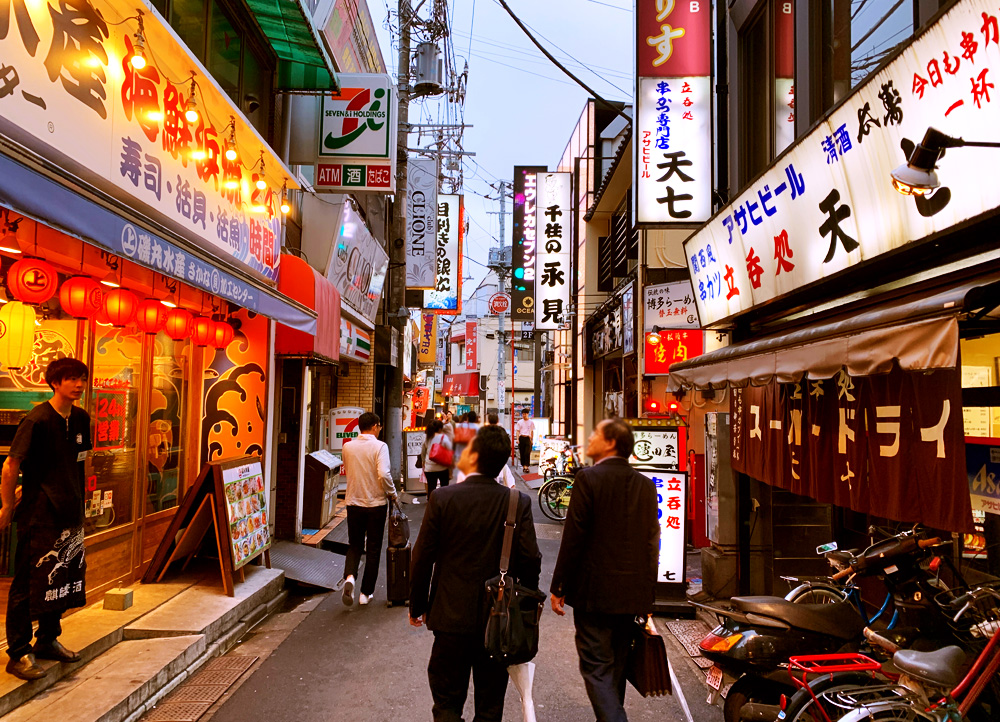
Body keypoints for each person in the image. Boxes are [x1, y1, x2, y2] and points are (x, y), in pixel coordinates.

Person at [410, 425, 542, 722]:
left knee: (446, 702)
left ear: (475, 456)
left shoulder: (443, 499)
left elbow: (421, 559)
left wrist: (417, 606)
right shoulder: (516, 502)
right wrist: (523, 609)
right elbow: (531, 559)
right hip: (497, 623)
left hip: (449, 618)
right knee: (490, 705)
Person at [549, 419, 659, 722]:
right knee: (616, 669)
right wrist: (648, 598)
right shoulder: (646, 485)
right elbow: (652, 545)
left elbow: (574, 538)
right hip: (632, 596)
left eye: (596, 434)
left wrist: (559, 586)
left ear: (610, 443)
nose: (591, 438)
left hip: (594, 594)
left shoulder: (589, 479)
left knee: (596, 667)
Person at [1, 358, 92, 680]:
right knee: (28, 584)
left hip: (70, 514)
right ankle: (19, 652)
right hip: (39, 515)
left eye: (81, 378)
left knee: (61, 580)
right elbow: (11, 465)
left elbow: (81, 462)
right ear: (55, 383)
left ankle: (48, 640)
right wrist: (7, 506)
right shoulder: (37, 419)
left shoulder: (81, 418)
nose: (78, 384)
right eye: (71, 379)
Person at [340, 412, 397, 607]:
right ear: (374, 426)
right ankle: (365, 593)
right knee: (373, 548)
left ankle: (349, 578)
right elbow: (383, 473)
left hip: (353, 502)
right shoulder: (380, 446)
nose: (380, 429)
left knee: (354, 545)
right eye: (379, 426)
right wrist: (392, 492)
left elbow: (348, 469)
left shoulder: (347, 447)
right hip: (375, 504)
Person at [420, 419, 453, 496]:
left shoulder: (425, 437)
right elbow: (450, 451)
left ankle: (432, 505)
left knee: (431, 488)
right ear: (440, 429)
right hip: (442, 467)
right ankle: (443, 505)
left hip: (429, 468)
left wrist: (424, 463)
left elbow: (423, 452)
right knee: (444, 488)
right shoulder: (443, 437)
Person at [451, 411, 481, 483]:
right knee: (469, 475)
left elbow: (454, 439)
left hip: (459, 454)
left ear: (467, 418)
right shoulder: (477, 429)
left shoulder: (460, 426)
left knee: (459, 475)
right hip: (470, 455)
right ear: (475, 419)